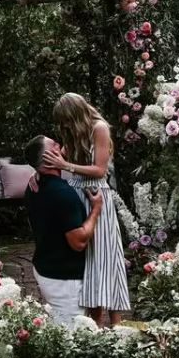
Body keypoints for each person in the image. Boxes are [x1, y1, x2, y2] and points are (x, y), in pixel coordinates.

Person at [42, 92, 131, 325]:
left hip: (95, 196)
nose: (65, 126)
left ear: (77, 114)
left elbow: (100, 171)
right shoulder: (72, 133)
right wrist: (36, 175)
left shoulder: (99, 128)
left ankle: (116, 323)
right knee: (86, 261)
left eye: (68, 120)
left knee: (104, 258)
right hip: (76, 197)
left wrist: (65, 165)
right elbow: (52, 160)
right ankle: (92, 324)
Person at [23, 135, 104, 326]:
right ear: (49, 156)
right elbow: (78, 242)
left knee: (58, 327)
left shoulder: (33, 187)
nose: (60, 145)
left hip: (46, 267)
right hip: (63, 279)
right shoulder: (62, 194)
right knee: (70, 336)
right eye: (55, 145)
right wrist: (96, 209)